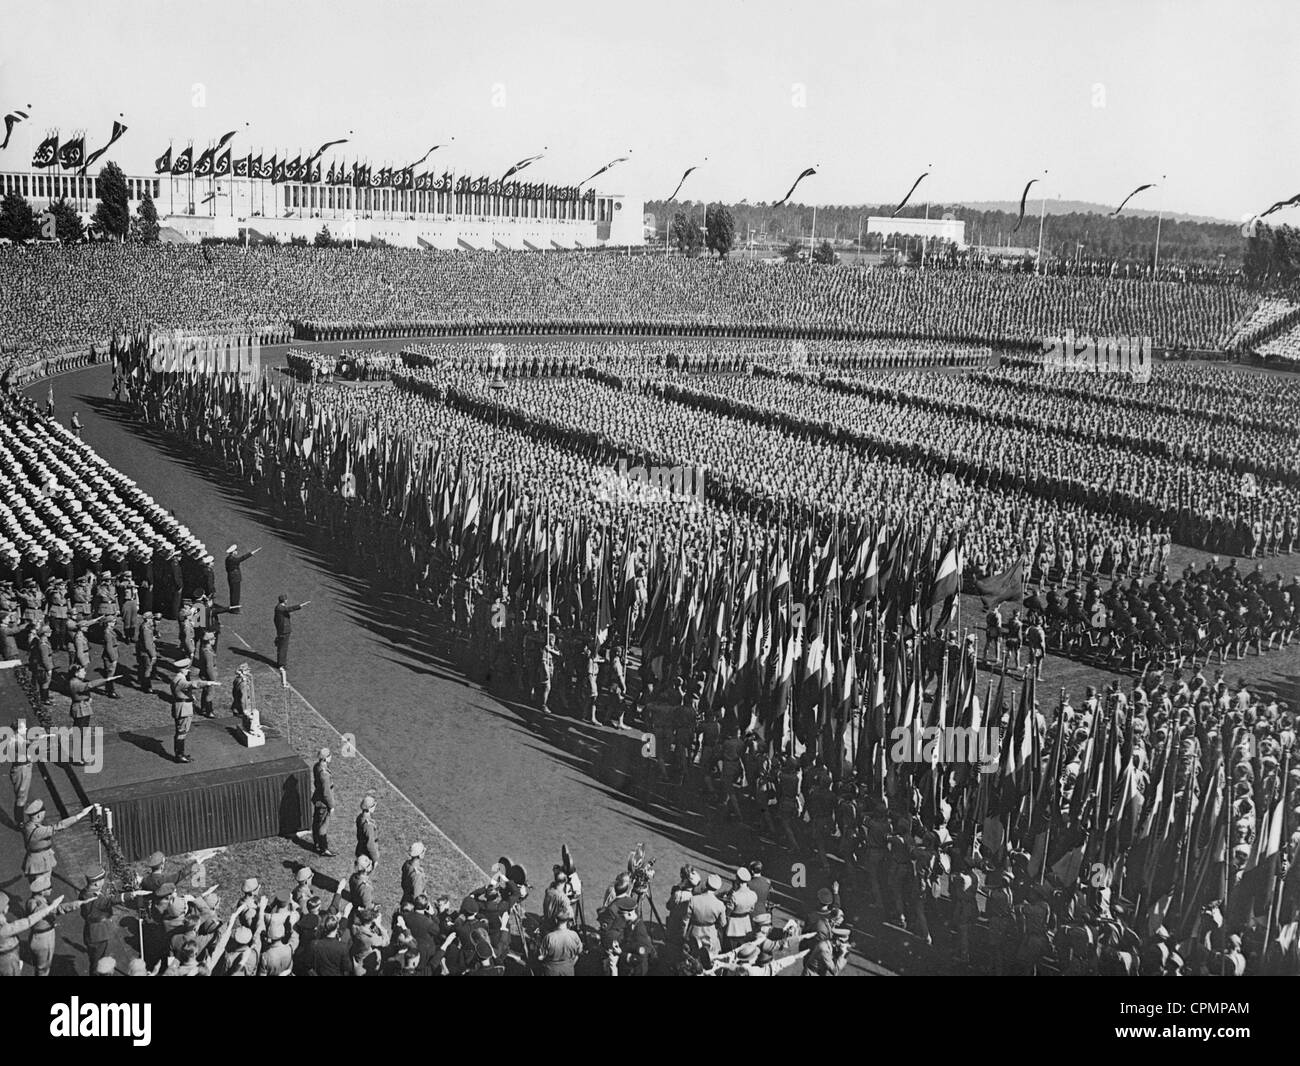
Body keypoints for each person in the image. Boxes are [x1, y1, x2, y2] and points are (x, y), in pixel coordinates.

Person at [273, 593, 310, 685]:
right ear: (284, 600)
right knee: (283, 648)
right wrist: (300, 605)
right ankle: (281, 664)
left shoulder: (278, 608)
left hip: (283, 630)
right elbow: (289, 609)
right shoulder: (280, 608)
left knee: (282, 647)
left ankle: (281, 663)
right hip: (284, 630)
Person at [536, 911, 583, 975]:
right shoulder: (574, 935)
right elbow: (578, 953)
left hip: (551, 970)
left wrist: (538, 940)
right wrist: (570, 964)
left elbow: (540, 957)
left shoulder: (549, 937)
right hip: (568, 969)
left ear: (556, 920)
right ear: (567, 921)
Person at [312, 747, 336, 857]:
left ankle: (317, 843)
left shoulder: (317, 767)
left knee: (317, 821)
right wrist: (331, 806)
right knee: (323, 825)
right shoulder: (324, 774)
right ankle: (323, 848)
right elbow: (326, 792)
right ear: (326, 758)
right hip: (323, 802)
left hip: (318, 798)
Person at [225, 544, 260, 611]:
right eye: (236, 550)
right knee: (235, 594)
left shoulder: (228, 559)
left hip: (232, 577)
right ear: (233, 552)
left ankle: (234, 608)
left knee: (233, 593)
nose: (236, 551)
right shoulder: (232, 560)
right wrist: (251, 553)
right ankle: (235, 609)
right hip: (235, 578)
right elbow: (242, 558)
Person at [355, 794, 379, 869]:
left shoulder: (360, 817)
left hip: (360, 848)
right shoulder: (368, 825)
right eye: (373, 806)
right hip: (366, 853)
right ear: (369, 808)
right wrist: (375, 859)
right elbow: (370, 844)